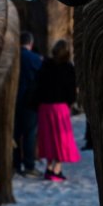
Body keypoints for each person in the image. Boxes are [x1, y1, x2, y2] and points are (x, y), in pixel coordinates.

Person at [34, 39, 80, 181]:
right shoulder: (68, 68)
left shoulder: (45, 65)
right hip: (60, 107)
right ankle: (57, 169)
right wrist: (71, 103)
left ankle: (48, 167)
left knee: (48, 138)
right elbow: (71, 92)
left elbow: (38, 86)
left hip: (44, 107)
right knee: (60, 139)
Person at [13, 31, 44, 178]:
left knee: (15, 134)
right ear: (30, 43)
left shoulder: (12, 58)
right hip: (30, 102)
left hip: (14, 101)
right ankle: (29, 165)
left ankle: (15, 164)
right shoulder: (35, 59)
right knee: (29, 134)